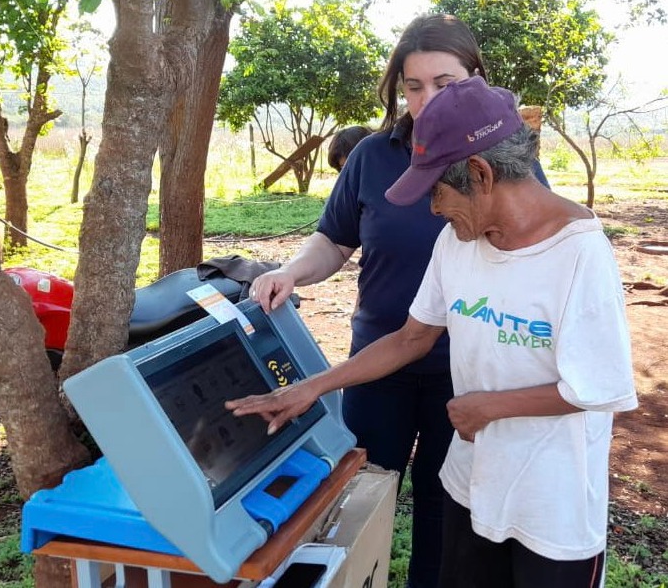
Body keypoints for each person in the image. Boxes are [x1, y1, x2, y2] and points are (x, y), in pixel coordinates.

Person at [229, 76, 637, 587]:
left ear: (480, 173)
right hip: (471, 484)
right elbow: (410, 339)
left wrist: (488, 407)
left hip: (551, 507)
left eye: (436, 191)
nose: (434, 209)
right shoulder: (458, 242)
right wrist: (310, 389)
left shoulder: (579, 253)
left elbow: (599, 386)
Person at [247, 14, 549, 588]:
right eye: (413, 86)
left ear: (475, 80)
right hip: (379, 359)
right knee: (359, 490)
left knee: (446, 506)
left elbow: (536, 244)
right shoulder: (371, 155)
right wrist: (290, 272)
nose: (427, 99)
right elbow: (335, 239)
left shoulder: (508, 160)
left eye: (445, 83)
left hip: (464, 370)